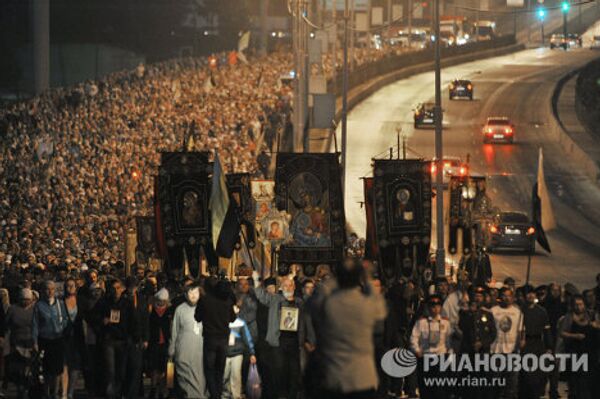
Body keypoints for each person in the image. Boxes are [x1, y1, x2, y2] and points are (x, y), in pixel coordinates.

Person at [307, 258, 387, 399]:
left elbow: (312, 303)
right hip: (363, 377)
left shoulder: (328, 304)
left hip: (334, 377)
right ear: (358, 279)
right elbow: (380, 313)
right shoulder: (367, 305)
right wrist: (367, 277)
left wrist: (334, 278)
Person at [252, 272, 304, 399]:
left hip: (294, 343)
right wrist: (256, 280)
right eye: (285, 285)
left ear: (294, 287)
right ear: (281, 287)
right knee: (279, 372)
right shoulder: (275, 299)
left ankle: (291, 396)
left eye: (290, 285)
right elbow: (261, 295)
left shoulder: (299, 302)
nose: (288, 287)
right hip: (278, 342)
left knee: (294, 372)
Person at [194, 277, 236, 398]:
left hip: (210, 338)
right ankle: (217, 392)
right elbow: (232, 318)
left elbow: (197, 317)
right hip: (223, 338)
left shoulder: (205, 300)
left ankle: (215, 395)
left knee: (209, 369)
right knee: (220, 369)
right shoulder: (227, 301)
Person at [32, 280, 69, 399]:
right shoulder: (38, 305)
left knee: (58, 369)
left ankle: (56, 393)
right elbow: (35, 324)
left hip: (58, 339)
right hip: (44, 339)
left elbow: (65, 319)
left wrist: (61, 326)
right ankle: (46, 392)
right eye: (47, 289)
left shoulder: (60, 304)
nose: (50, 291)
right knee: (46, 369)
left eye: (52, 289)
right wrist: (35, 342)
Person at [410, 294, 452, 399]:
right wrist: (417, 350)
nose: (435, 308)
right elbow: (414, 337)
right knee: (425, 388)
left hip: (440, 358)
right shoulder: (421, 322)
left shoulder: (445, 322)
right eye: (432, 305)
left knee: (440, 388)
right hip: (425, 357)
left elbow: (449, 340)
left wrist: (450, 354)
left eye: (438, 305)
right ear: (428, 307)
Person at [169, 285, 207, 398]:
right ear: (185, 295)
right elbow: (175, 331)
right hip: (183, 350)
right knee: (185, 379)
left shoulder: (205, 308)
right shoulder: (180, 309)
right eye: (190, 292)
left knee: (200, 378)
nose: (193, 295)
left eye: (196, 292)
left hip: (200, 350)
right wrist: (172, 349)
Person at [100, 278, 136, 399]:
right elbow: (96, 317)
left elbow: (133, 321)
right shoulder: (105, 302)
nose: (116, 291)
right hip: (109, 339)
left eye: (118, 288)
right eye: (113, 288)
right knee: (110, 370)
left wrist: (132, 337)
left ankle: (119, 392)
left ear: (122, 289)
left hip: (122, 339)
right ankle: (111, 393)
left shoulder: (127, 304)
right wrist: (103, 321)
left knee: (121, 370)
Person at [490, 287, 524, 399]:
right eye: (504, 295)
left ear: (513, 297)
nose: (506, 298)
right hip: (496, 352)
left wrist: (521, 341)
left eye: (509, 295)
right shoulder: (493, 311)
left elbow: (520, 330)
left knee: (511, 385)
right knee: (495, 384)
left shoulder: (517, 312)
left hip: (512, 353)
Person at [519, 286, 552, 399]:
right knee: (525, 375)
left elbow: (547, 330)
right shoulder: (520, 311)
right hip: (524, 344)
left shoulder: (542, 311)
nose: (531, 295)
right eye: (528, 293)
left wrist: (549, 347)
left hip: (538, 345)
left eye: (533, 293)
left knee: (537, 375)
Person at [223, 295, 257, 399]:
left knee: (236, 376)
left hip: (237, 353)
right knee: (224, 376)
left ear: (238, 310)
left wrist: (252, 353)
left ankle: (236, 396)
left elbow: (247, 338)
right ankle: (225, 394)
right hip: (225, 353)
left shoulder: (241, 323)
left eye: (234, 308)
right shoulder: (223, 321)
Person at [4, 289, 34, 399]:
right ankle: (20, 390)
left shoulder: (34, 310)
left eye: (28, 300)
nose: (25, 302)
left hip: (31, 342)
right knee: (18, 370)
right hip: (16, 342)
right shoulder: (12, 309)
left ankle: (27, 390)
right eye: (23, 299)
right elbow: (6, 325)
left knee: (28, 369)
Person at [147, 288, 172, 399]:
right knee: (154, 367)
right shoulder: (151, 310)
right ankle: (153, 388)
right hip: (154, 342)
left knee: (166, 367)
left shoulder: (169, 311)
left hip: (166, 342)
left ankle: (163, 390)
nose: (161, 302)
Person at [62, 277, 85, 399]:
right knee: (64, 364)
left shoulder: (80, 301)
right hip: (64, 336)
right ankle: (64, 392)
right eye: (67, 286)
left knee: (75, 365)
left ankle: (71, 391)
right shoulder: (60, 301)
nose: (70, 288)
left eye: (72, 285)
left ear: (76, 288)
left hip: (77, 336)